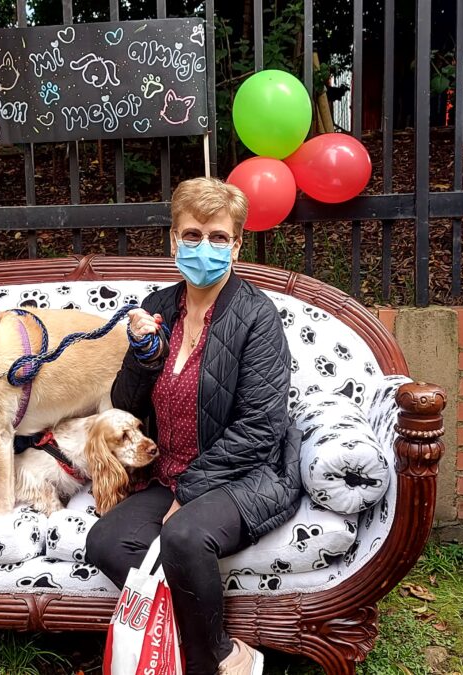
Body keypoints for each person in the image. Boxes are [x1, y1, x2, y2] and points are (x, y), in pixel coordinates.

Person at [86, 177, 303, 675]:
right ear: (173, 240)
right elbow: (125, 406)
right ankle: (221, 650)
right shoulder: (160, 308)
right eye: (192, 235)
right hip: (171, 472)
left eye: (218, 237)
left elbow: (261, 426)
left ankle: (212, 662)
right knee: (106, 542)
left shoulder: (257, 317)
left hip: (249, 475)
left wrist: (190, 493)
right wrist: (143, 358)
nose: (204, 247)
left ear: (237, 245)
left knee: (183, 537)